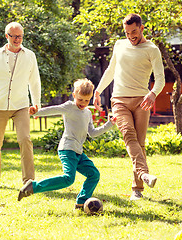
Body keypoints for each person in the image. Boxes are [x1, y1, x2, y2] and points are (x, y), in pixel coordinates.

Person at [93, 13, 165, 200]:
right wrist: (98, 91)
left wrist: (152, 93)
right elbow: (111, 70)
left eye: (134, 32)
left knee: (139, 144)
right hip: (119, 100)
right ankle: (143, 174)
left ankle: (137, 189)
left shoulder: (152, 50)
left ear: (142, 28)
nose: (131, 36)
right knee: (129, 136)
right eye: (127, 33)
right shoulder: (120, 45)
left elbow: (160, 79)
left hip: (142, 100)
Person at [17, 79, 116, 209]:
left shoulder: (87, 113)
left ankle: (81, 202)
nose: (83, 103)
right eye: (80, 100)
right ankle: (33, 187)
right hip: (67, 149)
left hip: (78, 152)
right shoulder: (69, 107)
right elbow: (54, 109)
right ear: (74, 95)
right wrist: (36, 112)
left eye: (87, 101)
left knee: (94, 174)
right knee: (68, 179)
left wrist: (109, 124)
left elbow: (92, 132)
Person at [0, 22, 41, 189]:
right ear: (7, 36)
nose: (17, 39)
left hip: (21, 105)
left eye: (20, 36)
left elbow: (34, 81)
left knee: (25, 140)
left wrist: (36, 103)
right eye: (13, 36)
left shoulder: (30, 56)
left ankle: (29, 180)